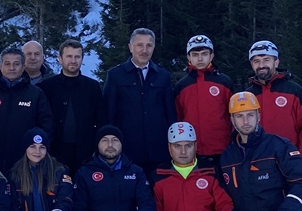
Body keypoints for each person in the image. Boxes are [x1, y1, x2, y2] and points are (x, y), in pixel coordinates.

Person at [0, 44, 55, 174]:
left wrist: (36, 151)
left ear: (23, 67)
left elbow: (46, 126)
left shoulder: (35, 94)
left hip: (25, 163)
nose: (12, 68)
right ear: (0, 66)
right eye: (7, 63)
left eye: (16, 64)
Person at [102, 28, 176, 175]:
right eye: (139, 45)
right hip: (128, 150)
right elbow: (109, 115)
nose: (144, 50)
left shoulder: (163, 76)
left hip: (158, 151)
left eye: (149, 45)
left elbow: (170, 114)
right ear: (130, 47)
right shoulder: (116, 75)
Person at [39, 39, 107, 174]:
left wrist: (98, 147)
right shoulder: (47, 87)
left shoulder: (92, 87)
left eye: (77, 56)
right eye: (69, 56)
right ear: (60, 58)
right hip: (54, 151)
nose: (73, 60)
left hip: (85, 152)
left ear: (82, 59)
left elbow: (101, 119)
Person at [244, 40, 302, 164]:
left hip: (289, 161)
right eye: (256, 61)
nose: (261, 65)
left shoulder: (293, 90)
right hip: (257, 163)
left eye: (266, 60)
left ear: (276, 62)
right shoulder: (247, 96)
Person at [173, 34, 235, 171]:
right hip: (191, 151)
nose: (200, 59)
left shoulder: (224, 82)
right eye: (195, 54)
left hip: (222, 148)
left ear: (211, 56)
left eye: (204, 54)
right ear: (188, 57)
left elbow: (233, 116)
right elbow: (178, 117)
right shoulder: (181, 86)